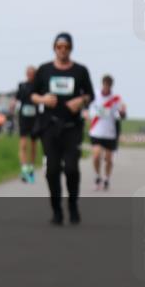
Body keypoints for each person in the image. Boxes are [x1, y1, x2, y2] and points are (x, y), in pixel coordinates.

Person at [30, 32, 94, 225]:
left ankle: (73, 205)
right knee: (52, 170)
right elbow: (31, 94)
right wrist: (43, 99)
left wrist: (81, 101)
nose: (63, 50)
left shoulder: (80, 71)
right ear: (54, 48)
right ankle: (56, 210)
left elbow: (90, 95)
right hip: (50, 126)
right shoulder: (44, 70)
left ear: (71, 48)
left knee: (72, 169)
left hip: (72, 127)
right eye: (59, 47)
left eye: (66, 47)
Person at [88, 74, 126, 191]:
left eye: (108, 86)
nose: (106, 88)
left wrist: (122, 112)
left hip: (110, 133)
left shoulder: (116, 99)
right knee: (96, 156)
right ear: (102, 84)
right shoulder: (95, 95)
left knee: (108, 159)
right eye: (105, 85)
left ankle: (107, 178)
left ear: (111, 86)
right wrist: (86, 113)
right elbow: (87, 106)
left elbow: (121, 115)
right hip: (96, 131)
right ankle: (97, 177)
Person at [11, 66, 40, 184]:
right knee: (23, 145)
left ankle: (31, 169)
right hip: (23, 117)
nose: (30, 75)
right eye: (28, 73)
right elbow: (16, 98)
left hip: (35, 118)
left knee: (33, 145)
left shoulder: (39, 86)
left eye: (32, 73)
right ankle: (24, 170)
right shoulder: (22, 85)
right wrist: (13, 103)